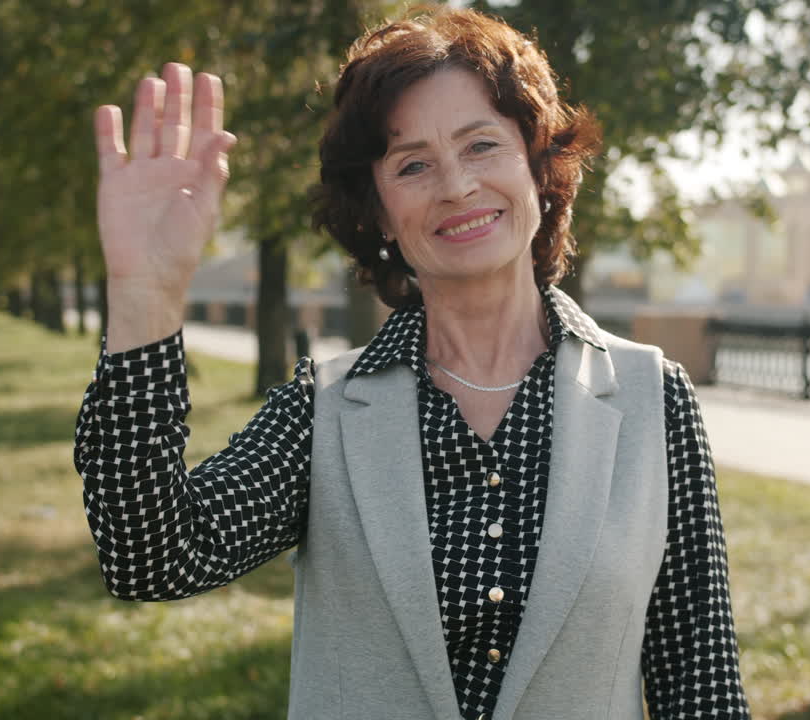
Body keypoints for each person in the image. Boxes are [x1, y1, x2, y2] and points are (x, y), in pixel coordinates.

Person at [75, 8, 750, 719]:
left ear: (539, 167)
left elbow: (700, 688)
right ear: (377, 211)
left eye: (481, 145)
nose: (455, 186)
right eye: (413, 164)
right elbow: (152, 557)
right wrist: (146, 296)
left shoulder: (654, 398)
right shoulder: (323, 411)